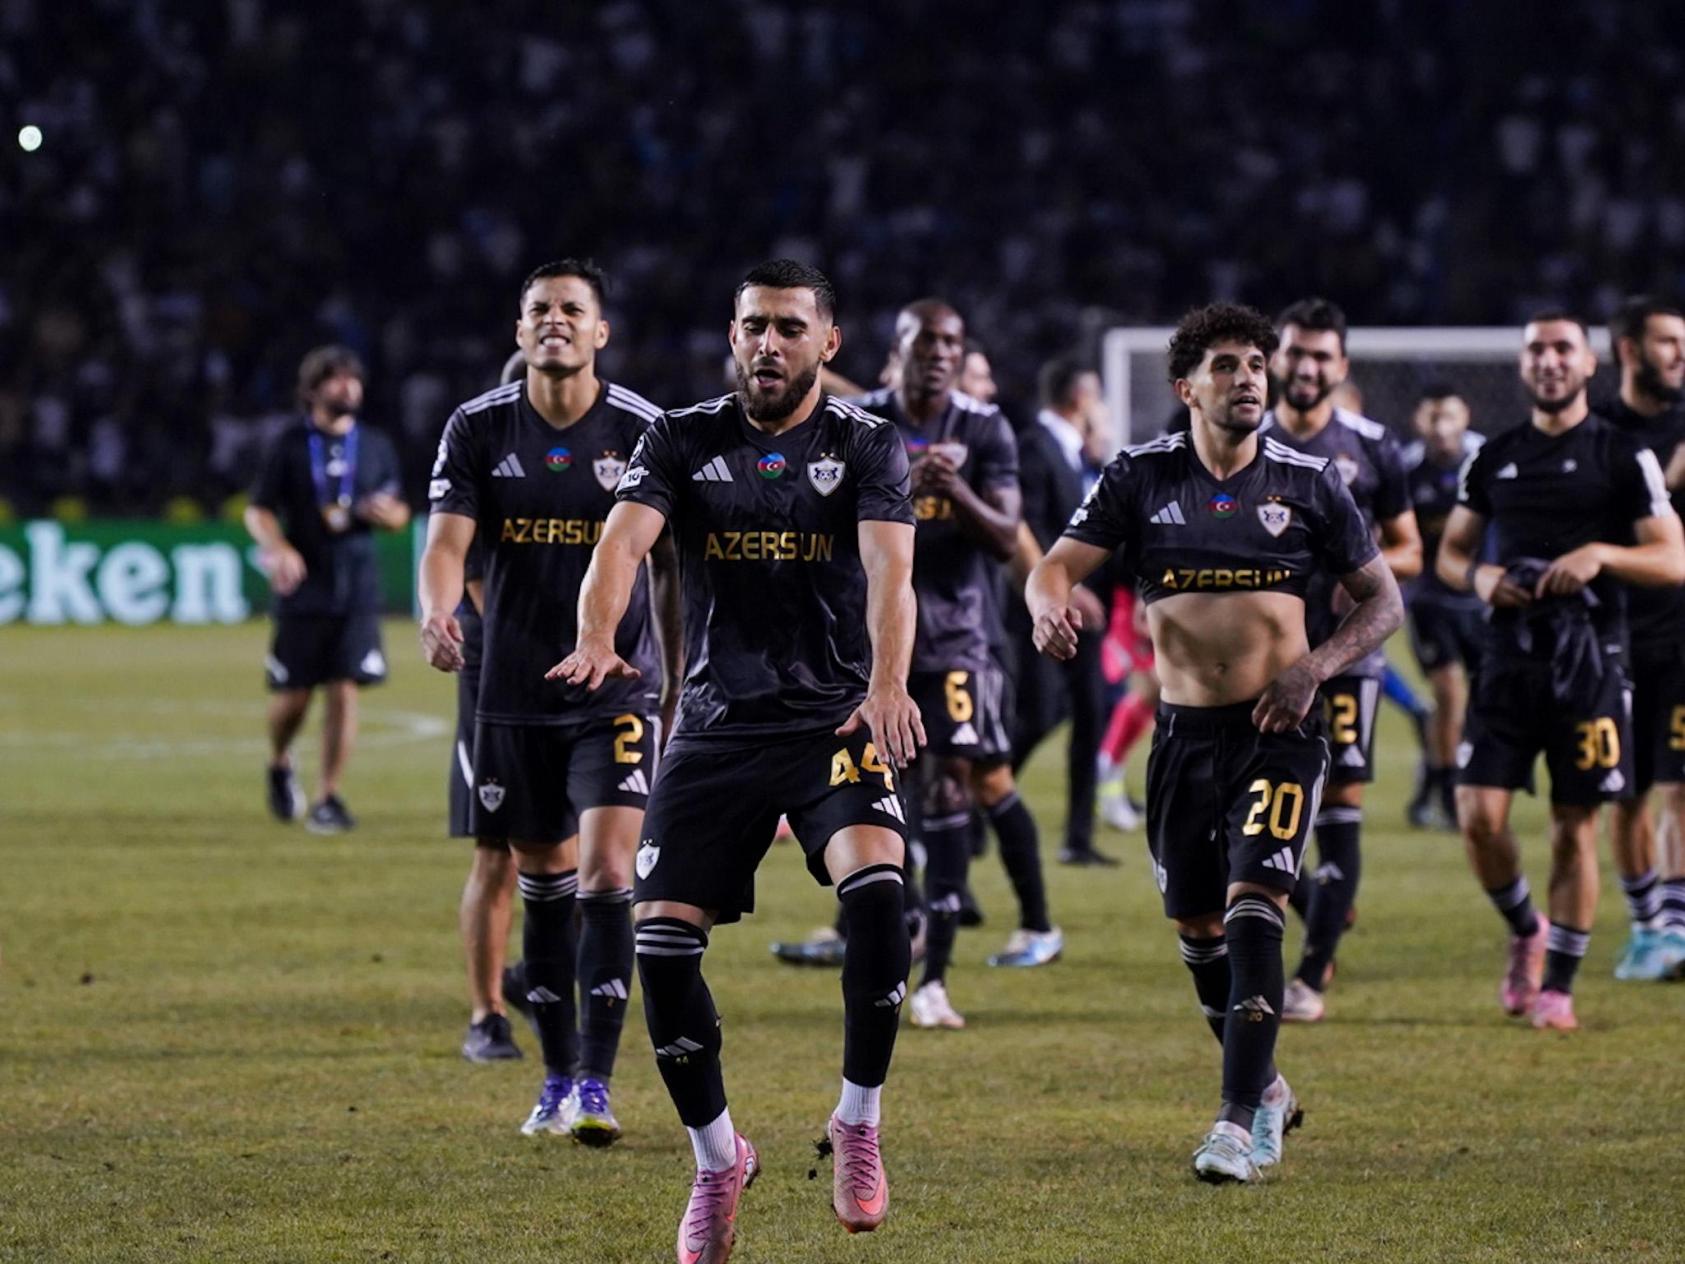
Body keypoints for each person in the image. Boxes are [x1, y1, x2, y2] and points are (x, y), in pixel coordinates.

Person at [551, 259, 920, 1257]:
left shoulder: (866, 443)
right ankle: (717, 1158)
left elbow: (891, 572)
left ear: (827, 343)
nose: (768, 344)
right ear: (732, 335)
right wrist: (597, 635)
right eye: (754, 326)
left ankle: (857, 1121)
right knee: (661, 946)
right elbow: (619, 548)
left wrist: (888, 685)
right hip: (715, 726)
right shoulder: (680, 437)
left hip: (831, 719)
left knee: (879, 894)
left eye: (790, 328)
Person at [1027, 302, 1402, 1183]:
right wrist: (1046, 607)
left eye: (1256, 366)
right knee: (1197, 929)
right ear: (1186, 386)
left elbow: (1382, 601)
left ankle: (1233, 1123)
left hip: (1278, 734)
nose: (1247, 380)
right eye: (1226, 366)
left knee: (1252, 909)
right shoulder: (1139, 476)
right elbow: (1053, 567)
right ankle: (1265, 1086)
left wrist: (1314, 667)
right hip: (1182, 737)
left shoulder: (1309, 481)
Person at [419, 258, 679, 1142]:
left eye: (572, 308)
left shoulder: (644, 430)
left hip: (617, 689)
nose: (555, 319)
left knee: (608, 875)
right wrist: (437, 610)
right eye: (540, 308)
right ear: (519, 329)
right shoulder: (477, 426)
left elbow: (672, 567)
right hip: (515, 691)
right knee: (542, 881)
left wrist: (675, 676)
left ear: (600, 331)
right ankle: (557, 1077)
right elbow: (445, 544)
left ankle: (597, 1085)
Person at [1436, 311, 1685, 1031]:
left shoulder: (1622, 455)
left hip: (1591, 665)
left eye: (1562, 349)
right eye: (1536, 350)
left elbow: (1672, 558)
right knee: (1477, 817)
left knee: (1574, 825)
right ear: (1523, 366)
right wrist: (1479, 578)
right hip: (1507, 662)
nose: (1548, 361)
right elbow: (1451, 553)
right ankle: (1526, 928)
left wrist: (1600, 555)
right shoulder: (1492, 457)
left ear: (1588, 364)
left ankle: (1559, 989)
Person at [853, 299, 1022, 1029]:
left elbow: (1006, 536)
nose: (941, 353)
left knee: (952, 788)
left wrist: (954, 490)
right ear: (899, 350)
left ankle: (936, 979)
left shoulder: (984, 428)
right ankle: (900, 933)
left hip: (954, 640)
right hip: (870, 643)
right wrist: (900, 488)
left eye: (952, 342)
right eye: (927, 342)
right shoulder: (860, 423)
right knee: (875, 798)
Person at [1258, 298, 1422, 1023]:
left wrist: (1358, 570)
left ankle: (1310, 976)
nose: (1306, 367)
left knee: (1340, 808)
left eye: (1321, 356)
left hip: (1348, 656)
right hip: (1262, 657)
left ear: (1341, 366)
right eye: (1296, 352)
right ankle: (1326, 905)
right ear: (1277, 359)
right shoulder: (1243, 437)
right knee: (1253, 811)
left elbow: (1411, 549)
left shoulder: (1373, 447)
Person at [246, 345, 409, 834]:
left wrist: (391, 517)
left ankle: (327, 797)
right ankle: (279, 760)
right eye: (336, 379)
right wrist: (279, 547)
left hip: (357, 586)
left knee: (344, 688)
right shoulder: (290, 444)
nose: (348, 387)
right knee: (294, 697)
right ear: (313, 390)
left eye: (353, 379)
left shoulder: (375, 445)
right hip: (303, 586)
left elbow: (400, 510)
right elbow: (258, 509)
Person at [1595, 296, 1685, 979]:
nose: (1680, 355)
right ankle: (1646, 928)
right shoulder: (1596, 434)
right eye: (1667, 343)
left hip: (1681, 635)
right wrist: (1669, 480)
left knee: (1681, 784)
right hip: (1615, 637)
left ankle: (1675, 928)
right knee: (1625, 793)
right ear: (1629, 350)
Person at [1012, 356, 1118, 867]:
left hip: (1084, 614)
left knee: (1090, 713)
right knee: (1039, 713)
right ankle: (982, 798)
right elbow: (1026, 525)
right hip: (1045, 607)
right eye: (1096, 395)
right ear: (1080, 397)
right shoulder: (1035, 447)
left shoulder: (1078, 454)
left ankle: (1077, 837)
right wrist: (1064, 589)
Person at [1401, 387, 1485, 830]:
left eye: (1449, 416)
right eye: (1433, 418)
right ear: (1419, 421)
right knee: (1450, 692)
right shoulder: (1407, 469)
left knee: (1481, 702)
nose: (1441, 427)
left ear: (1465, 416)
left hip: (1482, 601)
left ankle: (1430, 780)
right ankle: (1452, 794)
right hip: (1430, 602)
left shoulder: (1487, 460)